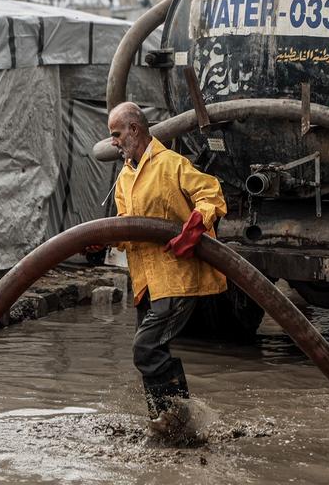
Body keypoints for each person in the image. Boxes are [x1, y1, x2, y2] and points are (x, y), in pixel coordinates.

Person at [99, 102, 227, 437]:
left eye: (116, 134)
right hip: (146, 282)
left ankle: (177, 419)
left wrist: (194, 226)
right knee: (152, 352)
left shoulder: (171, 164)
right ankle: (169, 425)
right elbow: (130, 231)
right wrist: (102, 241)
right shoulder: (126, 177)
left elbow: (211, 193)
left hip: (177, 276)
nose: (113, 141)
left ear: (134, 130)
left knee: (146, 349)